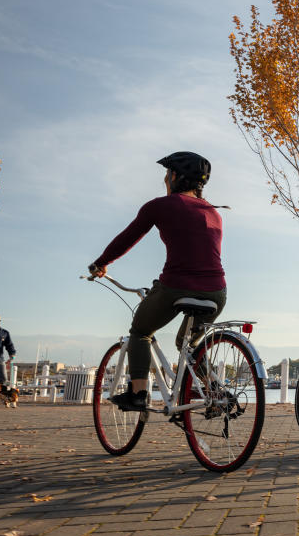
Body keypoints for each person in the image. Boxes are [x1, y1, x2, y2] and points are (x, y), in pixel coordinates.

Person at [89, 152, 226, 411]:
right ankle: (214, 393)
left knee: (140, 332)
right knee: (190, 344)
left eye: (167, 174)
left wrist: (102, 263)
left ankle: (138, 394)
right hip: (217, 292)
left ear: (175, 176)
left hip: (176, 287)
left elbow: (127, 238)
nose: (164, 179)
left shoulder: (161, 206)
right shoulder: (214, 213)